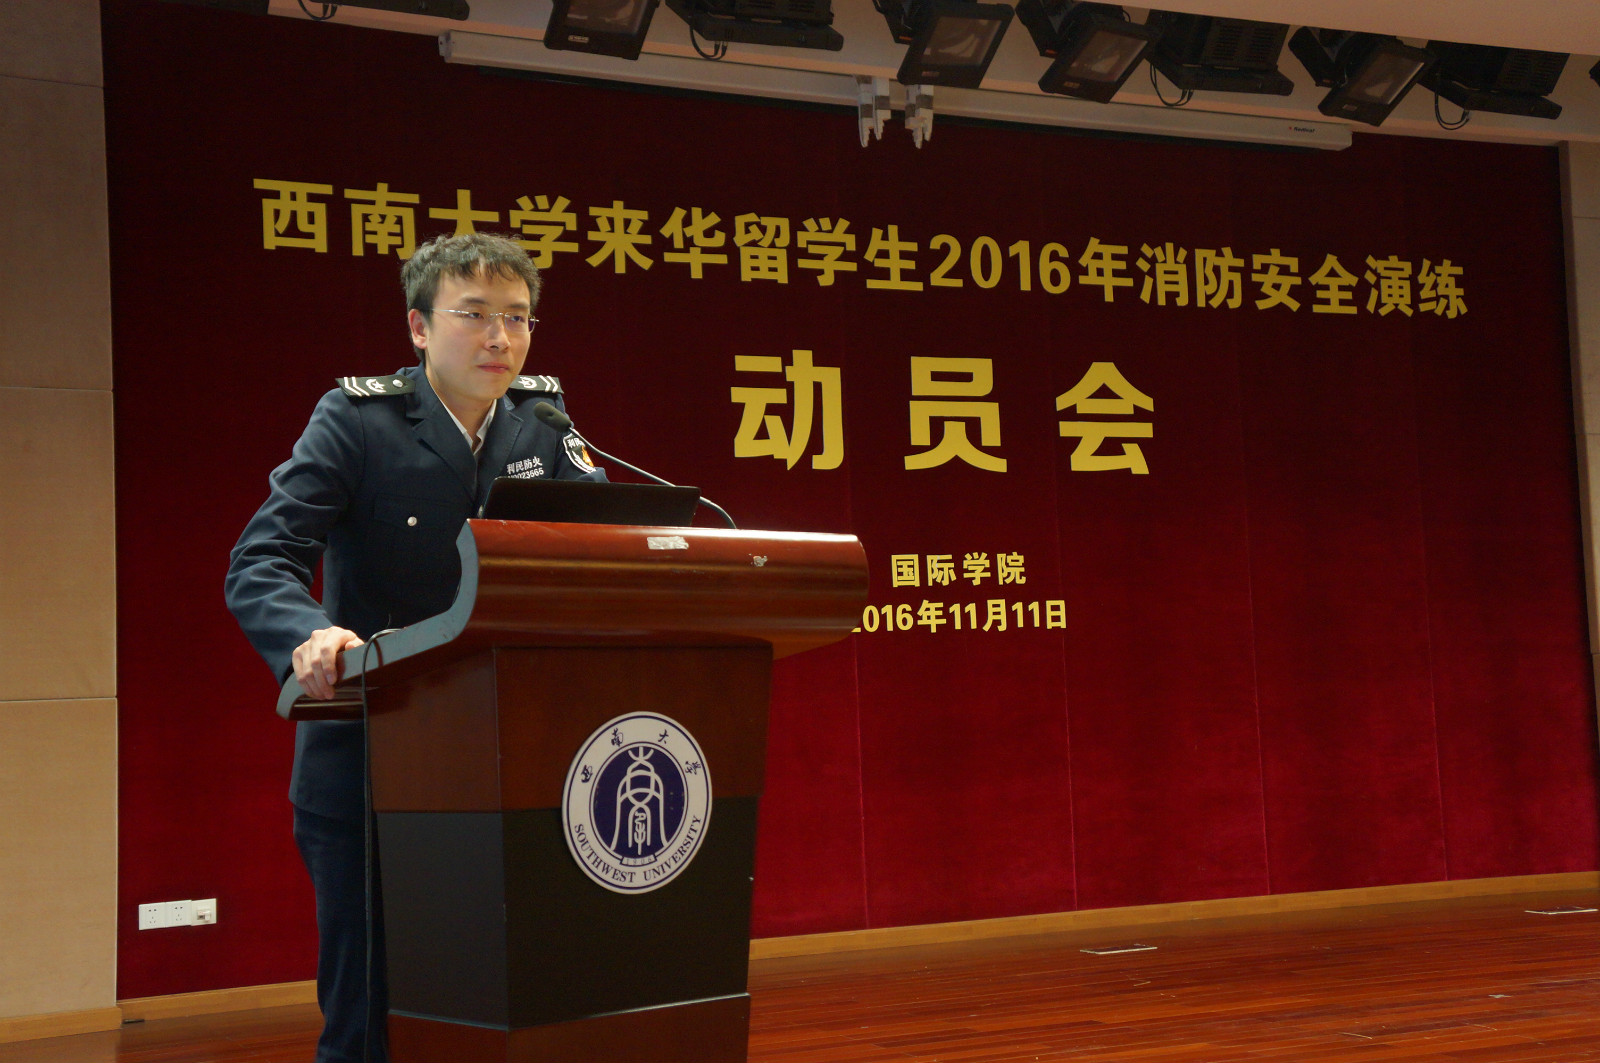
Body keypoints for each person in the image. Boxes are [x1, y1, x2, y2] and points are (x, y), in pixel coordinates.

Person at [225, 232, 605, 1063]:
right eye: (475, 315)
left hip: (505, 763)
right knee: (369, 1012)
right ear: (419, 327)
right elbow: (261, 558)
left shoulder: (544, 422)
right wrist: (309, 632)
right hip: (372, 756)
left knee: (493, 1002)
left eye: (518, 317)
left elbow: (609, 546)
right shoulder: (359, 421)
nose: (500, 337)